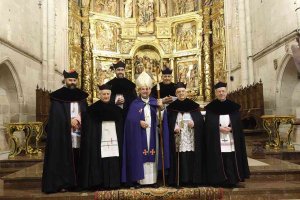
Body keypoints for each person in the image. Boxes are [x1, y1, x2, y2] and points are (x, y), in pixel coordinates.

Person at [42, 70, 88, 193]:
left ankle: (78, 183)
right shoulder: (58, 97)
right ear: (65, 80)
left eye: (74, 80)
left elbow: (85, 112)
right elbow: (56, 116)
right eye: (70, 80)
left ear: (77, 81)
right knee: (65, 157)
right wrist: (69, 121)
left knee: (78, 156)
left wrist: (78, 120)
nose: (72, 83)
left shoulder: (82, 96)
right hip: (63, 134)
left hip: (79, 132)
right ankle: (64, 183)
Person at [121, 71, 170, 188]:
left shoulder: (155, 102)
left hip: (152, 133)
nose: (145, 91)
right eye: (143, 89)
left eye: (147, 89)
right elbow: (129, 121)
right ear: (139, 90)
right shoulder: (135, 104)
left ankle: (152, 181)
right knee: (140, 155)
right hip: (139, 135)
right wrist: (138, 122)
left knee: (152, 155)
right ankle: (140, 180)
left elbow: (160, 119)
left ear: (150, 90)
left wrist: (161, 108)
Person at [204, 81, 250, 188]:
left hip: (230, 137)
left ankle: (232, 180)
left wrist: (232, 128)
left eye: (223, 91)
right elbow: (208, 125)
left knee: (230, 157)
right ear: (215, 93)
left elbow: (238, 124)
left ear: (226, 92)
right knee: (219, 158)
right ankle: (219, 180)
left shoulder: (234, 107)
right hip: (217, 138)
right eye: (219, 91)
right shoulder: (211, 108)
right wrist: (218, 128)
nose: (221, 93)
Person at [79, 84, 123, 190]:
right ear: (99, 94)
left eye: (108, 94)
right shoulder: (92, 109)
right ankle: (100, 182)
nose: (106, 96)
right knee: (98, 159)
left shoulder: (117, 109)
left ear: (110, 95)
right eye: (104, 94)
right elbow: (89, 129)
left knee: (113, 159)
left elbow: (120, 127)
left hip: (114, 142)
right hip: (98, 141)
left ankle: (114, 182)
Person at [167, 82, 205, 187]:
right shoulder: (171, 107)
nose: (181, 93)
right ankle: (180, 180)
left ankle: (192, 180)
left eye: (183, 91)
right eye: (178, 92)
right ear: (176, 94)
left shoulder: (194, 106)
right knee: (180, 157)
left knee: (191, 156)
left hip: (191, 136)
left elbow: (200, 122)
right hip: (178, 137)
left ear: (186, 92)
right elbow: (168, 122)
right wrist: (174, 128)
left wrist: (195, 123)